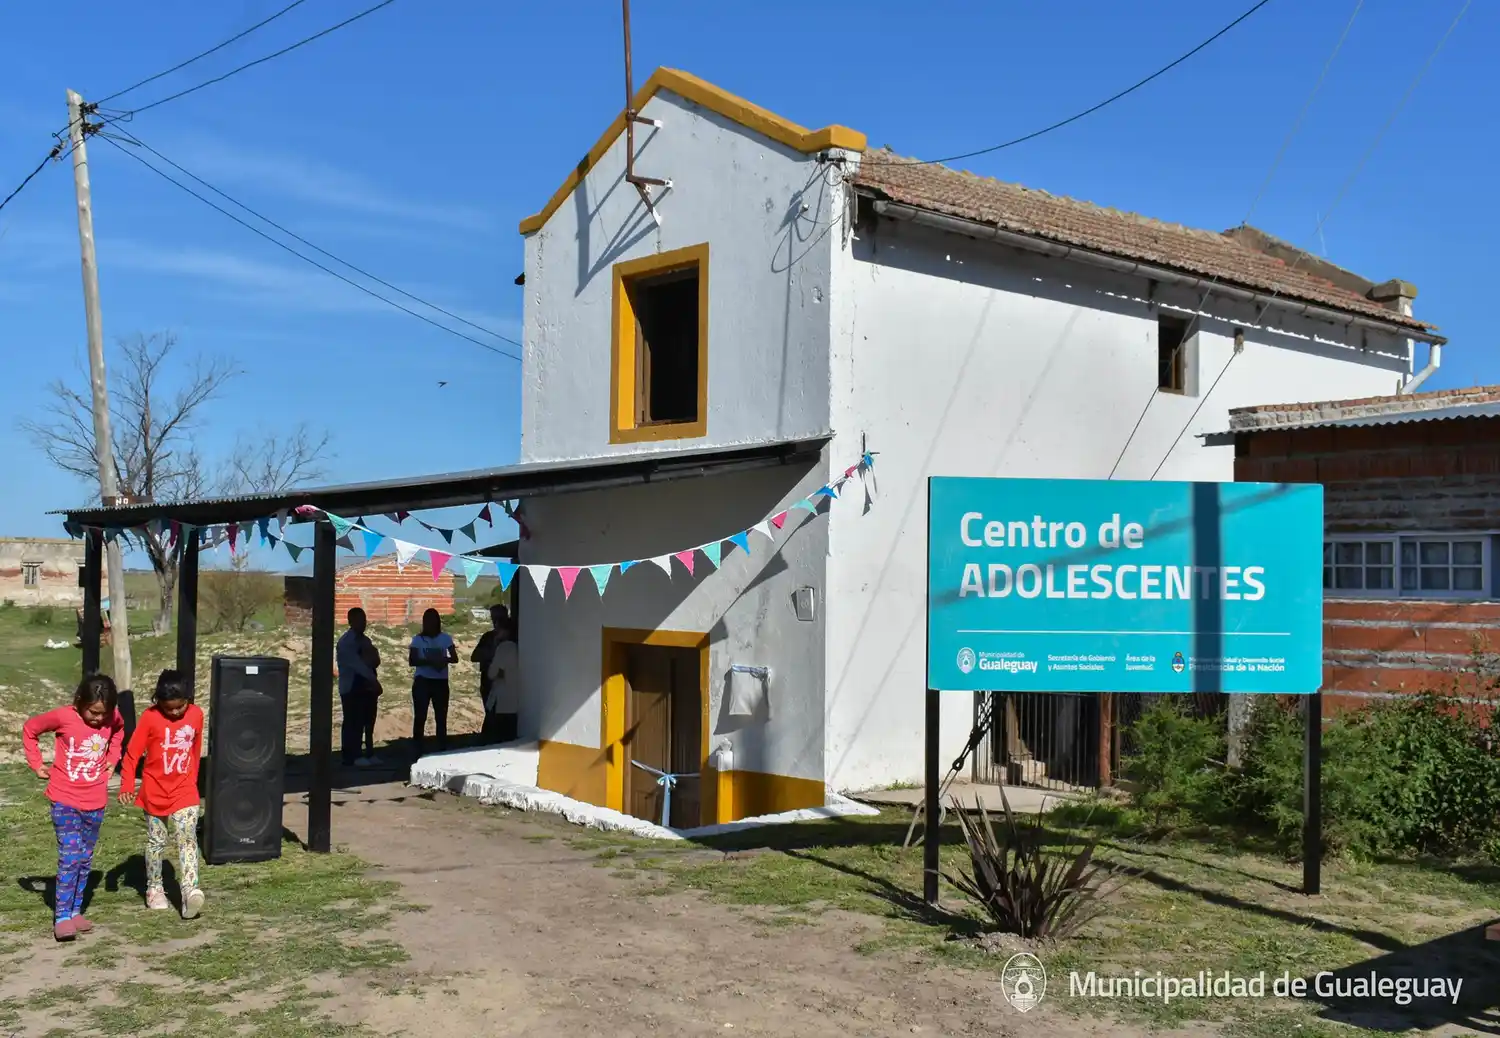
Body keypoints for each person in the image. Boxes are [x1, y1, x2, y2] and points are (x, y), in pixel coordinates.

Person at [21, 674, 125, 941]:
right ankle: (62, 916)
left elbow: (119, 731)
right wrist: (36, 764)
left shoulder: (112, 717)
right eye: (93, 712)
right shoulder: (63, 717)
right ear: (79, 701)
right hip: (64, 799)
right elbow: (30, 729)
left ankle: (77, 910)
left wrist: (113, 759)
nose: (99, 719)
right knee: (70, 856)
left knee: (85, 858)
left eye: (104, 714)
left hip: (96, 802)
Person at [118, 670, 205, 919]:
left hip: (184, 789)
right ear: (158, 701)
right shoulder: (149, 718)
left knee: (187, 837)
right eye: (170, 709)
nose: (176, 713)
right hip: (155, 790)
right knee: (157, 841)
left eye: (181, 707)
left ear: (188, 699)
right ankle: (154, 888)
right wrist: (126, 785)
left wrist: (193, 779)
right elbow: (132, 753)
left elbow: (196, 748)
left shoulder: (197, 714)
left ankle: (190, 891)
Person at [408, 608, 457, 759]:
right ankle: (417, 748)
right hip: (423, 680)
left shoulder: (446, 639)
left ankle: (441, 747)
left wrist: (443, 660)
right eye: (427, 621)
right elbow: (412, 660)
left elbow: (455, 658)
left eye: (433, 620)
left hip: (440, 681)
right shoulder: (418, 640)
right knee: (420, 716)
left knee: (441, 716)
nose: (430, 624)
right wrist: (429, 661)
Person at [337, 608, 382, 767]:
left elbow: (374, 659)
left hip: (365, 686)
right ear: (350, 621)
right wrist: (373, 679)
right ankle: (351, 756)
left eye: (364, 619)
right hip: (351, 686)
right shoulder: (346, 642)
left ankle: (369, 752)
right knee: (352, 721)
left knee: (368, 720)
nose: (363, 623)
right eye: (359, 620)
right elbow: (359, 665)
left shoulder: (365, 640)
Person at [470, 604, 509, 741]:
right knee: (490, 712)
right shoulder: (488, 637)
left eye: (498, 619)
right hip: (489, 681)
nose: (495, 622)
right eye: (494, 619)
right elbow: (474, 656)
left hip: (506, 682)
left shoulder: (512, 637)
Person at [484, 611, 519, 744]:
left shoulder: (504, 647)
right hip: (515, 699)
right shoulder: (518, 646)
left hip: (502, 699)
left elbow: (492, 673)